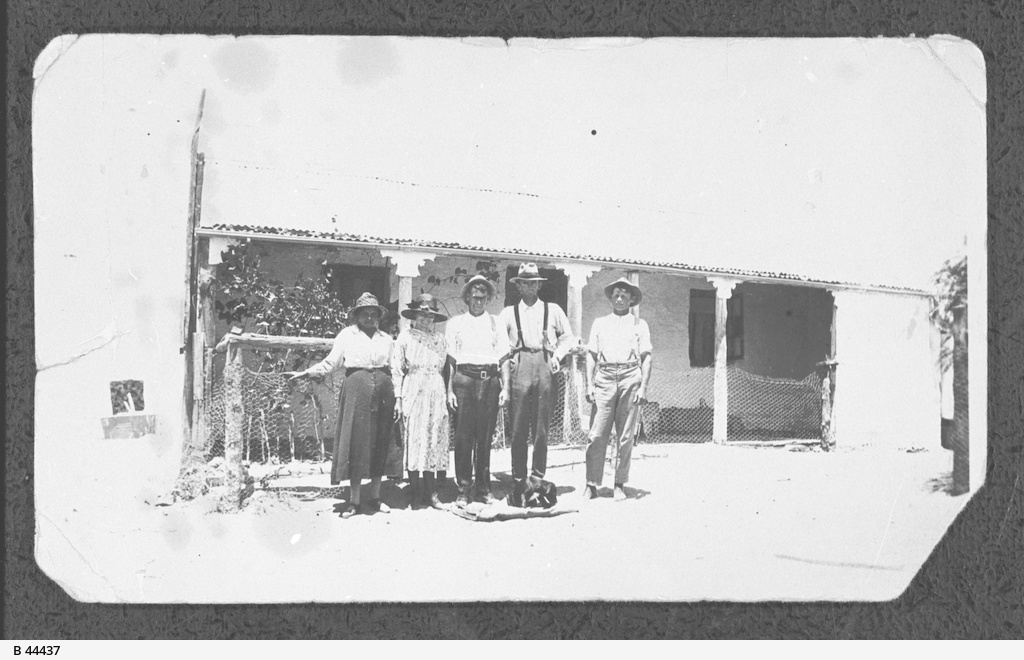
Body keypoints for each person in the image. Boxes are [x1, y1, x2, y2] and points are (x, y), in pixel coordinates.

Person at [285, 292, 396, 518]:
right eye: (364, 313)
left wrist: (400, 396)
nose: (369, 317)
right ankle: (354, 500)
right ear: (357, 316)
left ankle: (375, 497)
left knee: (380, 441)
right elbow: (331, 362)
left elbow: (395, 369)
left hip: (384, 389)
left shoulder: (386, 338)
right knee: (356, 441)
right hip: (356, 389)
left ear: (378, 316)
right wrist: (306, 372)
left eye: (373, 313)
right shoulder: (346, 335)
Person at [498, 263, 576, 503]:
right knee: (519, 425)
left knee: (541, 426)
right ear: (518, 286)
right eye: (525, 282)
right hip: (520, 362)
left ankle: (538, 476)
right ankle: (519, 478)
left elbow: (568, 337)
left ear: (540, 285)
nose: (530, 286)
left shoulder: (552, 310)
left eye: (534, 282)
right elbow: (500, 343)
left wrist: (557, 356)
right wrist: (507, 367)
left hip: (544, 362)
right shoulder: (508, 313)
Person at [581, 278, 652, 502]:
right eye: (616, 294)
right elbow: (591, 355)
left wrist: (643, 387)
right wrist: (589, 384)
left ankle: (619, 483)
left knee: (625, 435)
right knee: (597, 434)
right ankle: (591, 484)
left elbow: (646, 357)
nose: (620, 298)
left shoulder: (640, 324)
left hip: (631, 377)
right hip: (604, 377)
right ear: (611, 298)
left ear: (632, 299)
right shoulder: (600, 323)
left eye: (625, 295)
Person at [445, 274, 511, 506]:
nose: (478, 302)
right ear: (467, 298)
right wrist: (449, 391)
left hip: (489, 381)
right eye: (474, 297)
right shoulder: (455, 323)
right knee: (463, 438)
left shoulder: (496, 323)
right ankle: (463, 489)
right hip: (463, 381)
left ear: (488, 299)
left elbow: (503, 358)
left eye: (482, 298)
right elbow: (451, 361)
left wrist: (506, 389)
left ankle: (483, 488)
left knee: (484, 438)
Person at [392, 294, 450, 510]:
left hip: (436, 389)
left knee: (433, 439)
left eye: (430, 316)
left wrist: (446, 392)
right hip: (414, 388)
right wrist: (398, 398)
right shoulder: (405, 337)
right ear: (414, 316)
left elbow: (446, 369)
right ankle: (415, 494)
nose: (426, 319)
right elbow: (397, 369)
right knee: (415, 439)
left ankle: (431, 493)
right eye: (422, 315)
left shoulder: (440, 340)